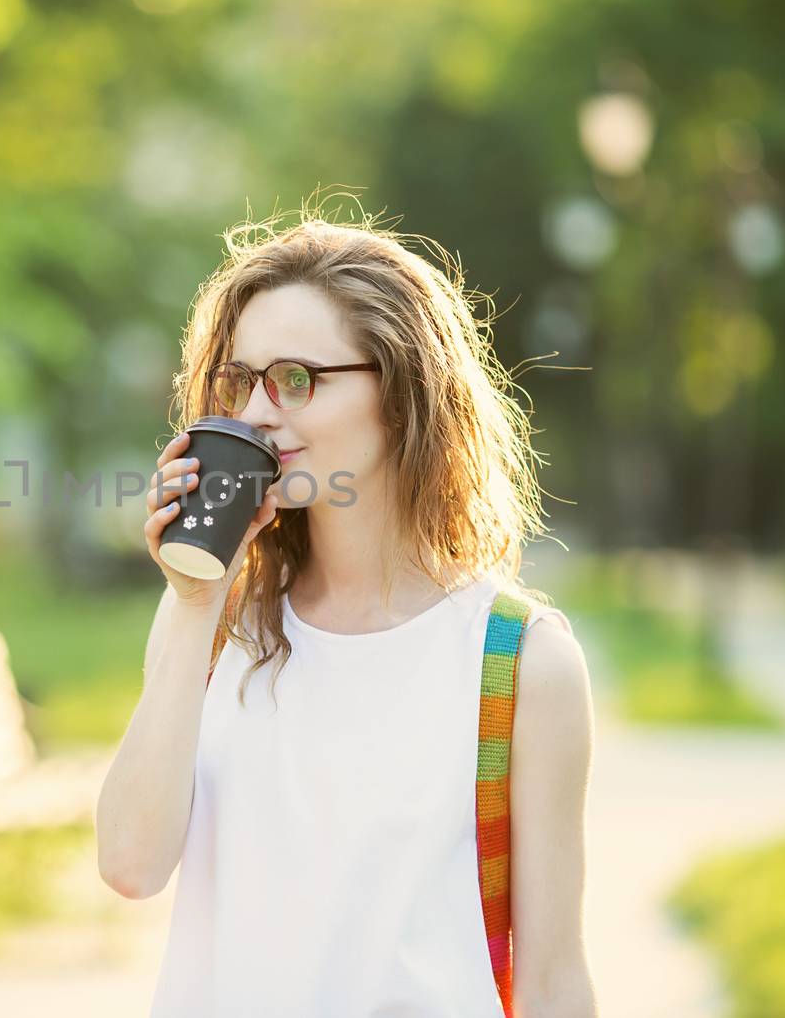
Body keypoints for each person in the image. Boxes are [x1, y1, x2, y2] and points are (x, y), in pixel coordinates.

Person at [94, 212, 598, 1017]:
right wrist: (194, 601)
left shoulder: (520, 663)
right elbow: (129, 863)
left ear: (399, 395)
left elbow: (553, 979)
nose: (257, 412)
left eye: (296, 379)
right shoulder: (216, 623)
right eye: (240, 381)